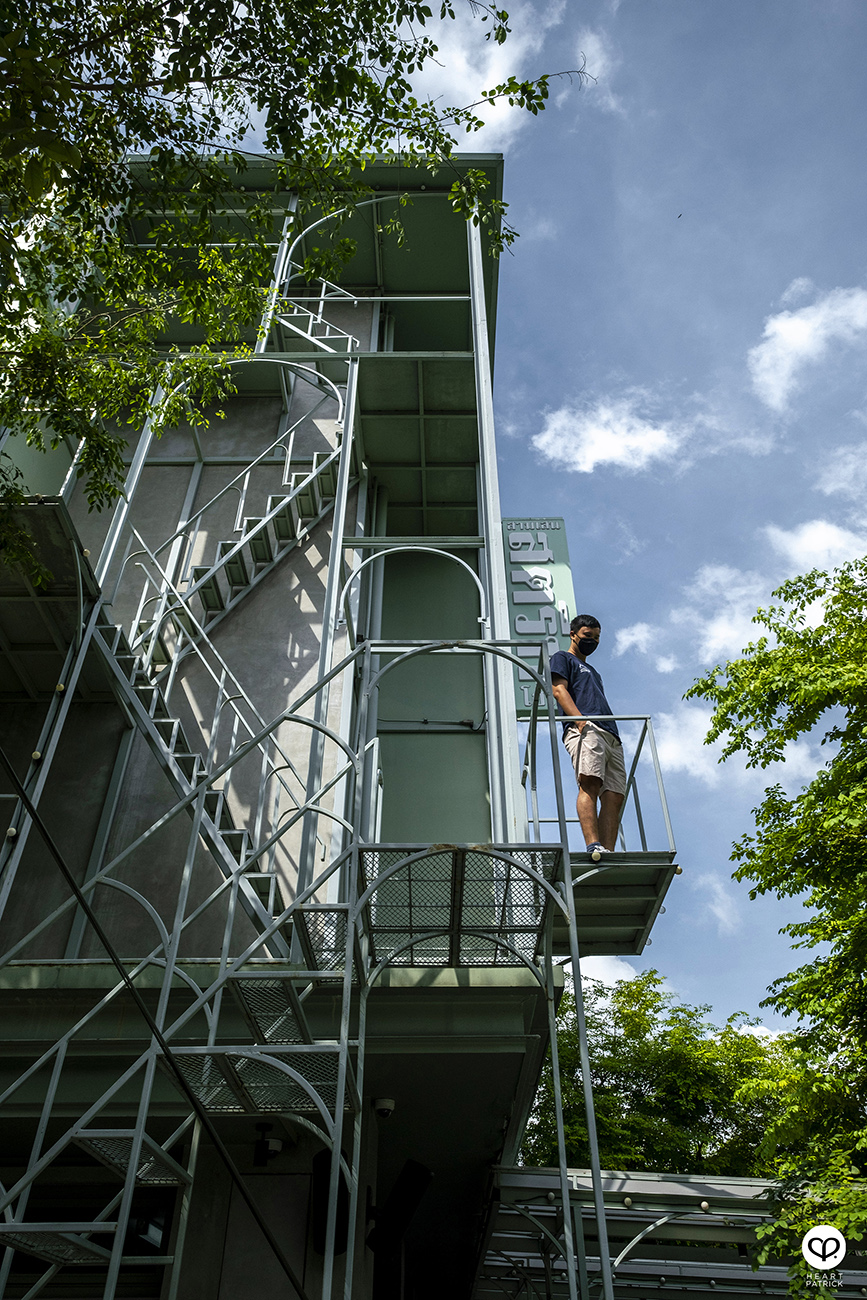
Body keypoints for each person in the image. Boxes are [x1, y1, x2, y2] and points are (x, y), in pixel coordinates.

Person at [550, 615, 626, 859]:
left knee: (614, 795)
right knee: (590, 782)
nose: (592, 641)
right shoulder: (563, 658)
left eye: (596, 638)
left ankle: (609, 851)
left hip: (610, 733)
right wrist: (581, 722)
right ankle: (593, 845)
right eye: (587, 636)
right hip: (586, 728)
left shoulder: (594, 671)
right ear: (573, 634)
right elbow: (558, 690)